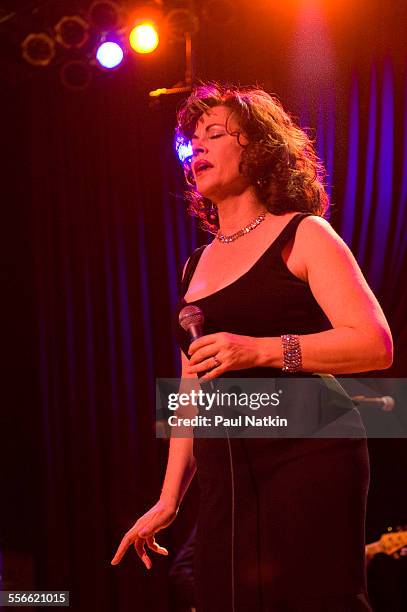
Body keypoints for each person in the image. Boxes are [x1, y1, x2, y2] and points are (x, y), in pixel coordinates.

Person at [111, 83, 393, 611]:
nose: (197, 148)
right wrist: (170, 498)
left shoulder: (304, 235)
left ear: (258, 147)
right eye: (192, 141)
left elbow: (375, 344)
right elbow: (190, 391)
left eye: (214, 134)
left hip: (311, 447)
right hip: (229, 470)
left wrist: (261, 350)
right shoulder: (195, 265)